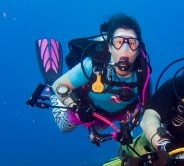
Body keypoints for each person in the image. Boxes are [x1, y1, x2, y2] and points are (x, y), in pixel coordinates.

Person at [49, 13, 151, 146]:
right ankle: (50, 88)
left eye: (132, 43)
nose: (125, 50)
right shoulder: (93, 65)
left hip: (117, 113)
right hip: (87, 108)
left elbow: (144, 105)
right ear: (109, 46)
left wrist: (128, 126)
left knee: (97, 130)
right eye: (119, 42)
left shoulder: (142, 73)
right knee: (64, 128)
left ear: (138, 49)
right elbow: (59, 85)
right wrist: (76, 107)